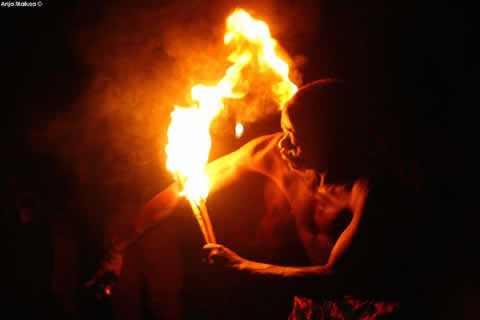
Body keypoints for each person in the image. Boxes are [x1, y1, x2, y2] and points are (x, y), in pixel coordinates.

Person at [88, 79, 423, 318]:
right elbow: (185, 186)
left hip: (373, 304)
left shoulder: (370, 187)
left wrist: (242, 267)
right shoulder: (271, 153)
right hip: (312, 302)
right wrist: (117, 250)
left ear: (332, 139)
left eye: (294, 137)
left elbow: (334, 278)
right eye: (284, 130)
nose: (282, 144)